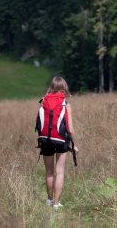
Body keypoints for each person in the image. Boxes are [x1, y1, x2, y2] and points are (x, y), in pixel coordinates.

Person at [38, 76, 79, 209]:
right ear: (64, 87)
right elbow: (70, 129)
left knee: (49, 171)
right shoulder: (65, 104)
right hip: (61, 140)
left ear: (51, 87)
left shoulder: (43, 101)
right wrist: (75, 145)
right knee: (59, 172)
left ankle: (49, 200)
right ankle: (56, 204)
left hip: (45, 140)